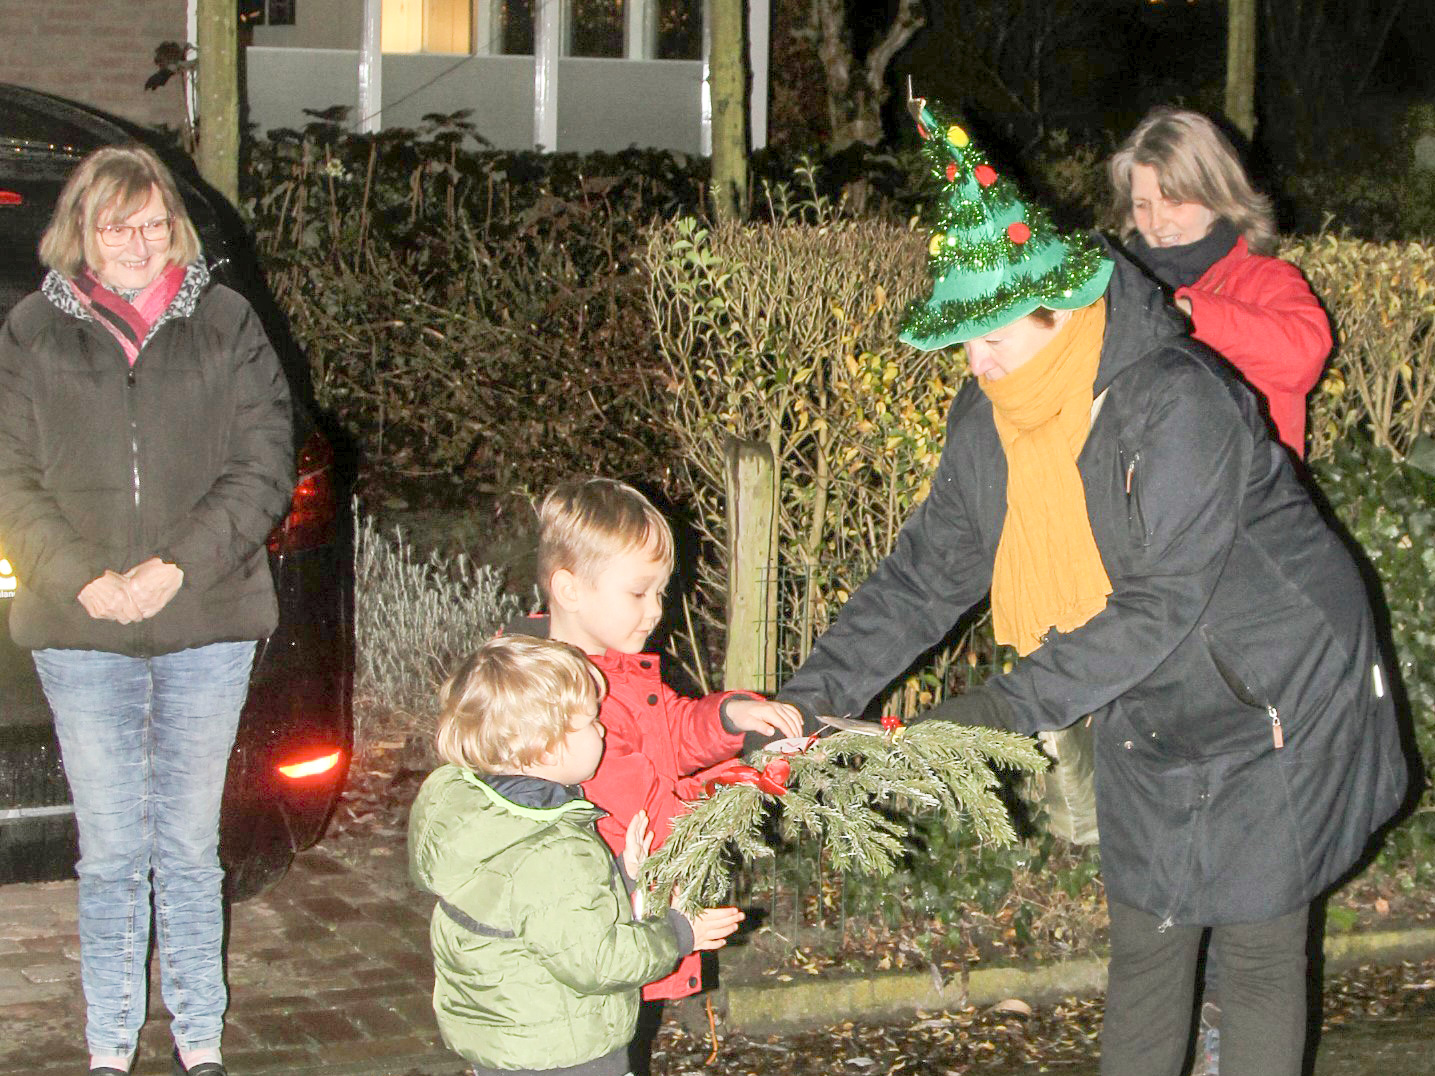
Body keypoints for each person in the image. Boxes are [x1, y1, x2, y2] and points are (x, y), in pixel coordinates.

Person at [775, 98, 1407, 1076]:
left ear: (1057, 312)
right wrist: (809, 695)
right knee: (1149, 946)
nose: (972, 362)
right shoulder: (991, 420)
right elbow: (923, 574)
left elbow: (1161, 599)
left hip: (1280, 691)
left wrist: (999, 708)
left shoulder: (1175, 401)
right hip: (1149, 699)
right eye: (962, 340)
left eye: (990, 337)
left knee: (1254, 950)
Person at [0, 145, 294, 1076]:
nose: (137, 241)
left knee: (189, 847)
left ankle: (200, 1041)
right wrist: (82, 576)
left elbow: (264, 466)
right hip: (81, 626)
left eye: (153, 221)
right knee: (113, 853)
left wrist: (176, 567)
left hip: (206, 618)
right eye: (115, 224)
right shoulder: (29, 335)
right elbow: (9, 477)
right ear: (80, 233)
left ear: (176, 225)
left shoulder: (227, 321)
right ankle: (109, 1046)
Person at [513, 476, 802, 1068]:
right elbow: (646, 803)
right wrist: (740, 781)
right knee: (603, 1050)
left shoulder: (616, 674)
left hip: (626, 919)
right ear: (568, 588)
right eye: (639, 593)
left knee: (625, 1046)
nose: (656, 610)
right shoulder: (555, 702)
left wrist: (732, 714)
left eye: (660, 592)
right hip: (605, 924)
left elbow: (671, 729)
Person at [407, 633, 745, 1076]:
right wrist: (681, 933)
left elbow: (532, 915)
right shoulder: (553, 849)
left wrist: (623, 876)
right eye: (589, 722)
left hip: (509, 1038)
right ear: (546, 746)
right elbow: (596, 960)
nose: (602, 729)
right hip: (566, 1050)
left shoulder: (479, 808)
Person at [1107, 106, 1331, 458]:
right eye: (1142, 205)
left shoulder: (1264, 279)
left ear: (1217, 194)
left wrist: (1191, 314)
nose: (1157, 222)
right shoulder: (1122, 282)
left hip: (1247, 503)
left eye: (1175, 202)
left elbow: (1306, 355)